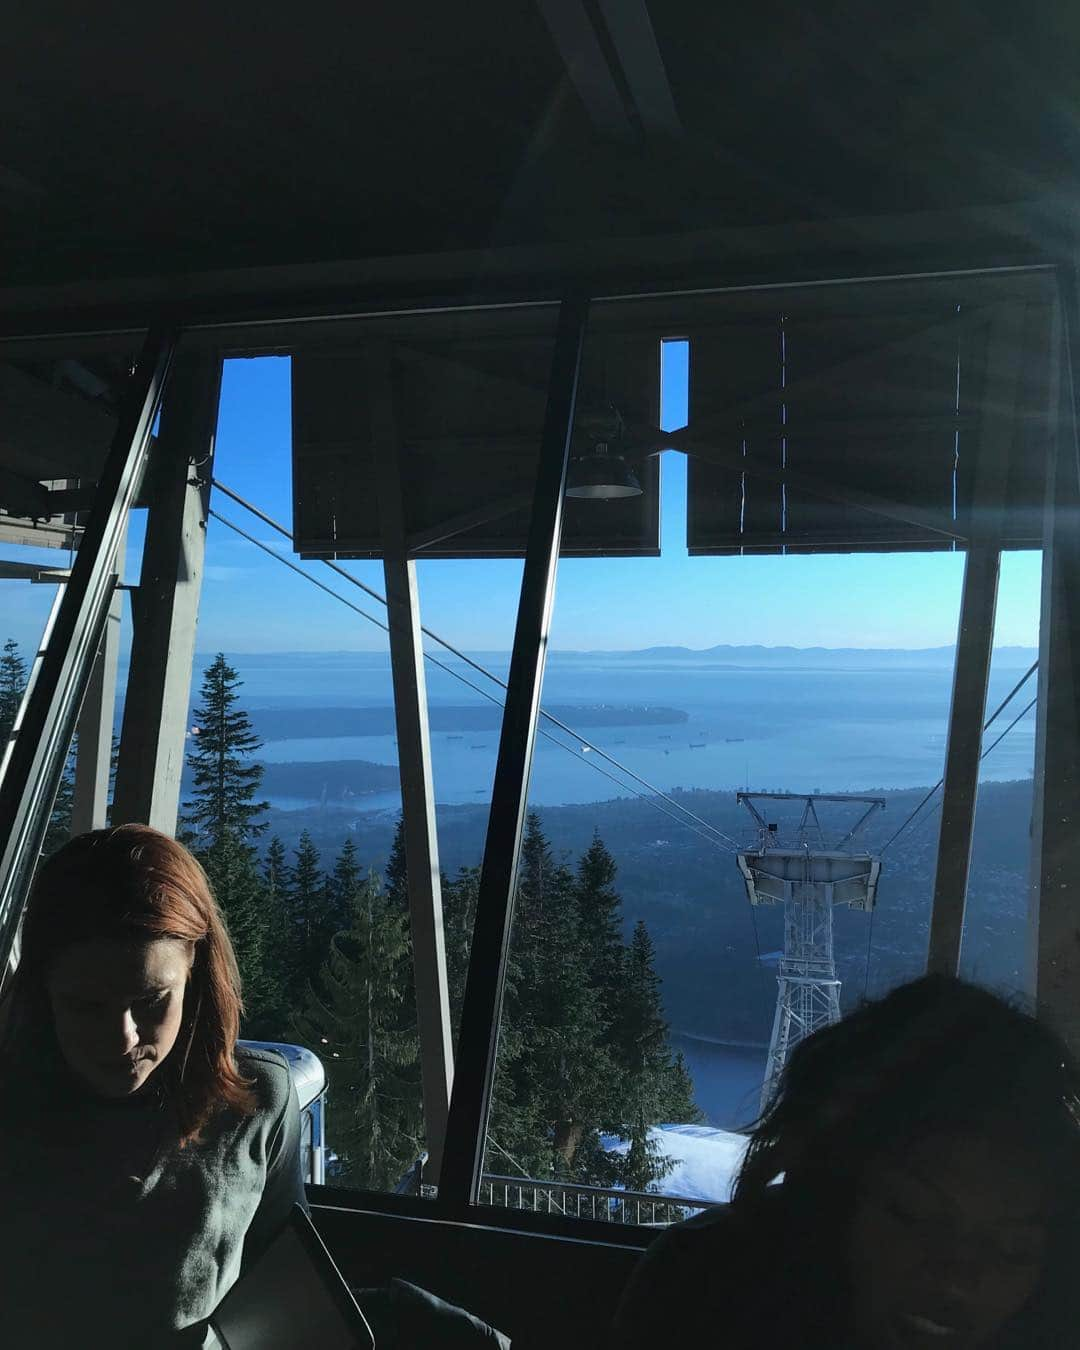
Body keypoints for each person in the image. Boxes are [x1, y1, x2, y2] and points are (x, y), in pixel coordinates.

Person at [610, 974, 1080, 1350]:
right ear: (831, 1197)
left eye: (1013, 1248)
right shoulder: (705, 1288)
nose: (960, 1279)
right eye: (914, 1217)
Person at [0, 824, 306, 1348]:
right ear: (42, 989)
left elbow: (283, 1299)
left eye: (150, 1001)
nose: (123, 1039)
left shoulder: (260, 1104)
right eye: (86, 1006)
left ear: (196, 971)